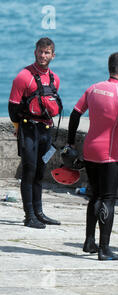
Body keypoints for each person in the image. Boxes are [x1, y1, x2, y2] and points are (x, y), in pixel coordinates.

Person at [67, 52, 118, 261]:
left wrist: (69, 142)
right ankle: (104, 249)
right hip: (109, 154)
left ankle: (89, 242)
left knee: (94, 196)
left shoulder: (93, 88)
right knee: (108, 199)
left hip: (90, 150)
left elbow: (75, 114)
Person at [8, 37, 62, 229]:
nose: (43, 55)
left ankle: (39, 212)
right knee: (29, 171)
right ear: (35, 52)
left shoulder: (55, 78)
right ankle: (29, 215)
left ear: (53, 55)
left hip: (46, 130)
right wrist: (18, 129)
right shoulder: (23, 76)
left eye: (47, 52)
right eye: (40, 51)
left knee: (40, 172)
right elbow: (12, 108)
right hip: (28, 129)